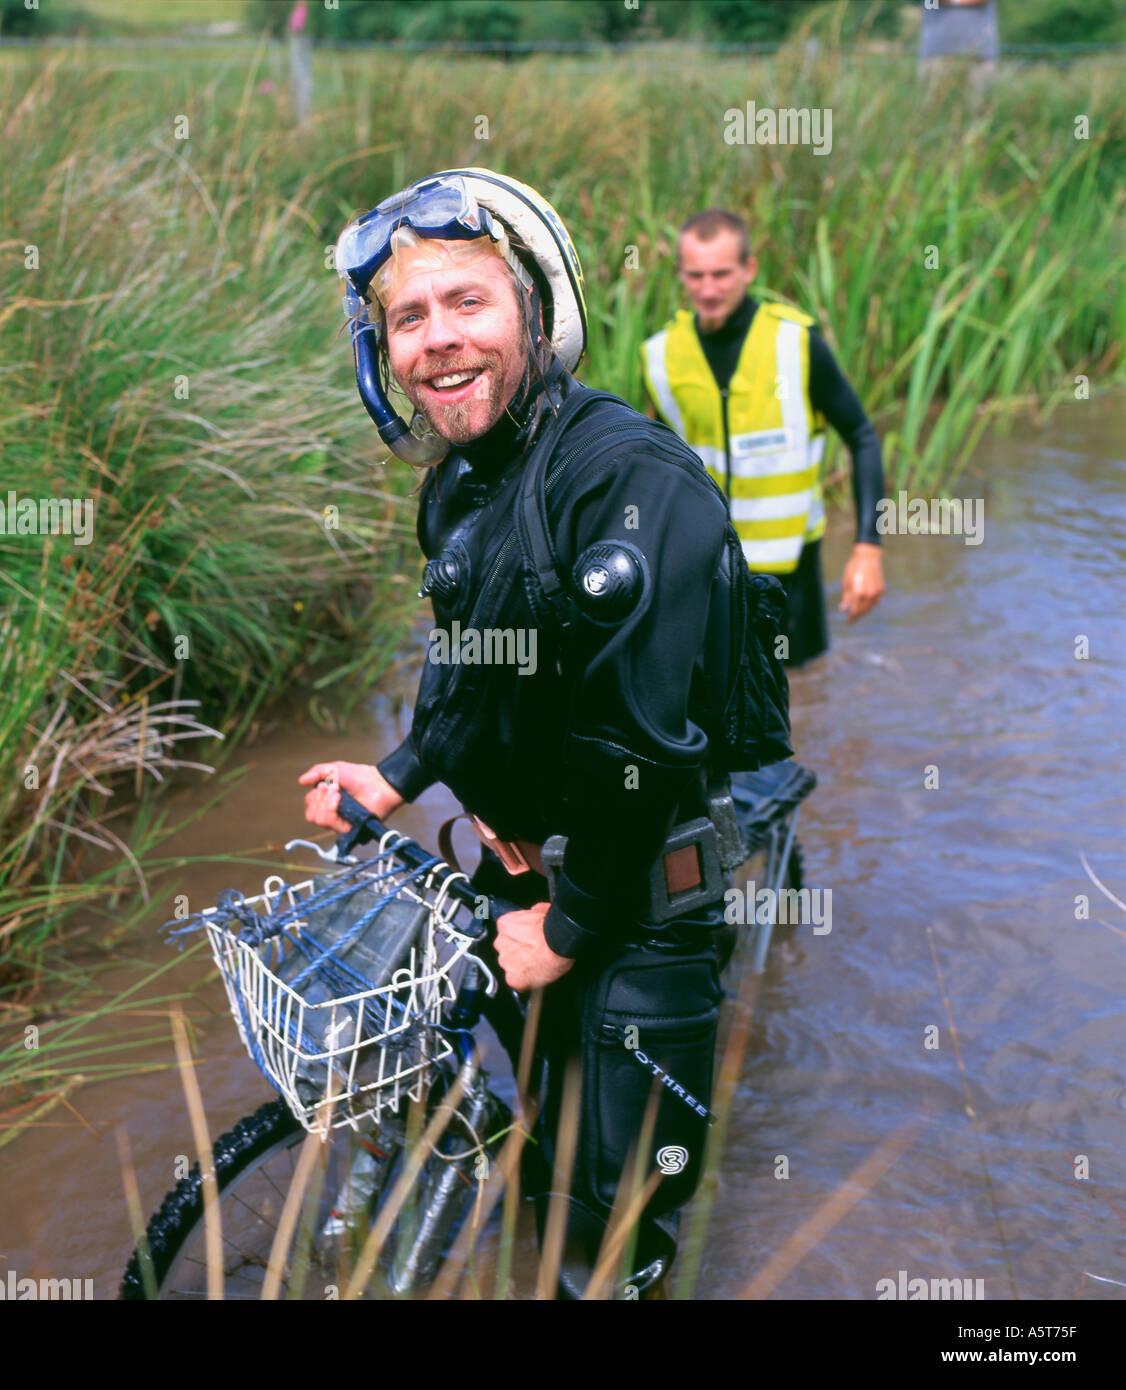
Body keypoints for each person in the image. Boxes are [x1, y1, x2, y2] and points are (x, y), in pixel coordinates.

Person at [297, 169, 762, 1298]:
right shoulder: (461, 480)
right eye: (408, 318)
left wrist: (574, 920)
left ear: (536, 313)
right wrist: (397, 773)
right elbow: (466, 662)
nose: (436, 342)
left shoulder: (628, 480)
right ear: (382, 355)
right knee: (545, 1149)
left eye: (468, 303)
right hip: (527, 884)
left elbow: (638, 742)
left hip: (635, 898)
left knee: (622, 1227)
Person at [641, 208, 885, 667]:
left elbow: (861, 434)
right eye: (695, 276)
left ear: (749, 270)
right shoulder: (660, 357)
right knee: (717, 701)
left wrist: (868, 548)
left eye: (721, 274)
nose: (708, 290)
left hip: (792, 573)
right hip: (707, 568)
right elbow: (660, 470)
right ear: (680, 273)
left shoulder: (796, 343)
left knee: (806, 697)